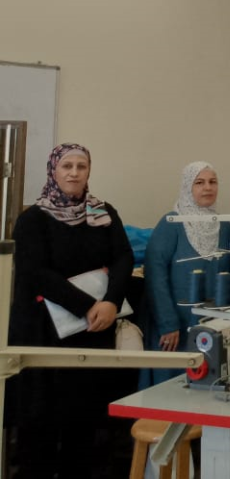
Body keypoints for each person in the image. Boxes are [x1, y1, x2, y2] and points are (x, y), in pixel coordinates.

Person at [7, 143, 134, 478]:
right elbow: (36, 272)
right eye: (67, 166)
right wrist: (88, 305)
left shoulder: (103, 213)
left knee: (84, 426)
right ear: (54, 170)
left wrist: (111, 302)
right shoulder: (33, 219)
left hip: (92, 332)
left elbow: (123, 257)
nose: (74, 173)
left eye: (81, 166)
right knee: (41, 427)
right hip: (45, 336)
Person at [141, 161, 230, 386]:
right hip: (175, 328)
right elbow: (155, 275)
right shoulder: (171, 223)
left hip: (213, 325)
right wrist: (168, 323)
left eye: (212, 182)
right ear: (187, 187)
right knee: (172, 387)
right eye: (199, 183)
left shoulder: (225, 227)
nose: (208, 188)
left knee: (208, 382)